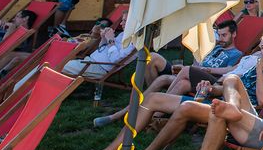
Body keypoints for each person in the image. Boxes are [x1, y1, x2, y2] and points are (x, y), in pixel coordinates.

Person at [65, 30, 263, 150]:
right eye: (261, 46)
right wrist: (211, 87)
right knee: (153, 97)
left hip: (242, 118)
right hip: (220, 101)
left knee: (184, 104)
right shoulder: (254, 66)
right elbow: (230, 86)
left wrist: (261, 70)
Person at [90, 20, 244, 128]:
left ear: (234, 34)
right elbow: (198, 64)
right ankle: (150, 111)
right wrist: (197, 61)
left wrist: (206, 70)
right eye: (220, 35)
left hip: (209, 83)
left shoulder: (237, 53)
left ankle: (133, 113)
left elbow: (230, 71)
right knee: (159, 64)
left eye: (224, 35)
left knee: (182, 74)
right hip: (191, 76)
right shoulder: (215, 48)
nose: (221, 39)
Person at [62, 13, 136, 79]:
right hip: (89, 62)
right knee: (59, 64)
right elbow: (101, 49)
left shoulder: (133, 41)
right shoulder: (123, 34)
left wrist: (110, 40)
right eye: (122, 20)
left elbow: (115, 59)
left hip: (97, 67)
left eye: (125, 21)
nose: (121, 24)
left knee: (60, 66)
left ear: (133, 22)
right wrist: (104, 38)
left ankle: (56, 90)